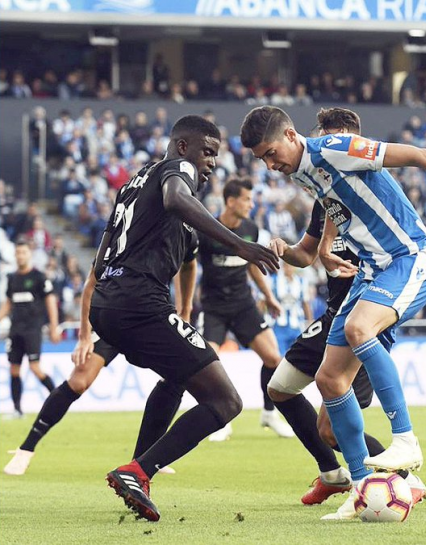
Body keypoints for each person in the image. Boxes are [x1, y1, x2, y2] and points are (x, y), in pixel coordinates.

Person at [240, 105, 426, 519]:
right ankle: (360, 489)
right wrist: (322, 250)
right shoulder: (300, 171)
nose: (269, 165)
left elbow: (417, 155)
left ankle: (406, 440)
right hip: (371, 270)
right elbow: (340, 207)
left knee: (358, 329)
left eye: (270, 153)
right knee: (329, 378)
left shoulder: (333, 147)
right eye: (261, 159)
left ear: (289, 135)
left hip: (409, 256)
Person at [91, 115, 279, 522]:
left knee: (177, 377)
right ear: (182, 147)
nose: (211, 162)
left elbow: (101, 256)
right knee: (227, 402)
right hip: (140, 301)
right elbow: (178, 198)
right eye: (207, 152)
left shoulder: (134, 183)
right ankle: (139, 471)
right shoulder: (177, 171)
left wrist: (183, 306)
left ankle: (138, 472)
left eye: (215, 155)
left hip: (109, 302)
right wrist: (243, 247)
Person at [266, 107, 426, 507]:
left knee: (330, 427)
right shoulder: (326, 197)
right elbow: (307, 253)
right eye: (323, 135)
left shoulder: (364, 183)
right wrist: (290, 251)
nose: (327, 144)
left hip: (368, 311)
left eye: (334, 137)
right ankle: (337, 476)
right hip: (332, 314)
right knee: (279, 388)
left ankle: (398, 477)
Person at [4, 243, 197, 476]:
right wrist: (84, 336)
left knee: (177, 375)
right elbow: (91, 284)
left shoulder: (171, 233)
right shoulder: (120, 235)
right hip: (114, 318)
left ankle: (146, 457)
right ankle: (26, 449)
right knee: (78, 381)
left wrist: (185, 311)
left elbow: (188, 265)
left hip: (153, 318)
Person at [196, 177, 293, 441]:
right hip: (213, 307)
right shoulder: (208, 230)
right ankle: (219, 418)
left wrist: (269, 296)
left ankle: (269, 414)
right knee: (208, 363)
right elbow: (190, 265)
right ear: (231, 201)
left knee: (274, 358)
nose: (251, 204)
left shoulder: (250, 229)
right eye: (247, 199)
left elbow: (252, 265)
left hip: (243, 305)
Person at [0, 240, 60, 417]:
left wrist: (54, 326)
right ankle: (17, 410)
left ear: (29, 254)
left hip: (32, 330)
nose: (20, 256)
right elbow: (8, 303)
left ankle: (59, 400)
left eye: (23, 252)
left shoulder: (39, 277)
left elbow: (50, 301)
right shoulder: (12, 278)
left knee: (35, 367)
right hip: (15, 330)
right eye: (18, 253)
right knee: (14, 369)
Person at [270, 261, 313, 354]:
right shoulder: (274, 281)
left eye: (291, 266)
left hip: (297, 325)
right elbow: (264, 301)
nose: (289, 268)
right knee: (279, 356)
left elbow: (305, 303)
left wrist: (309, 321)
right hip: (279, 325)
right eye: (286, 266)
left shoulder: (301, 282)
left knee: (297, 355)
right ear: (283, 267)